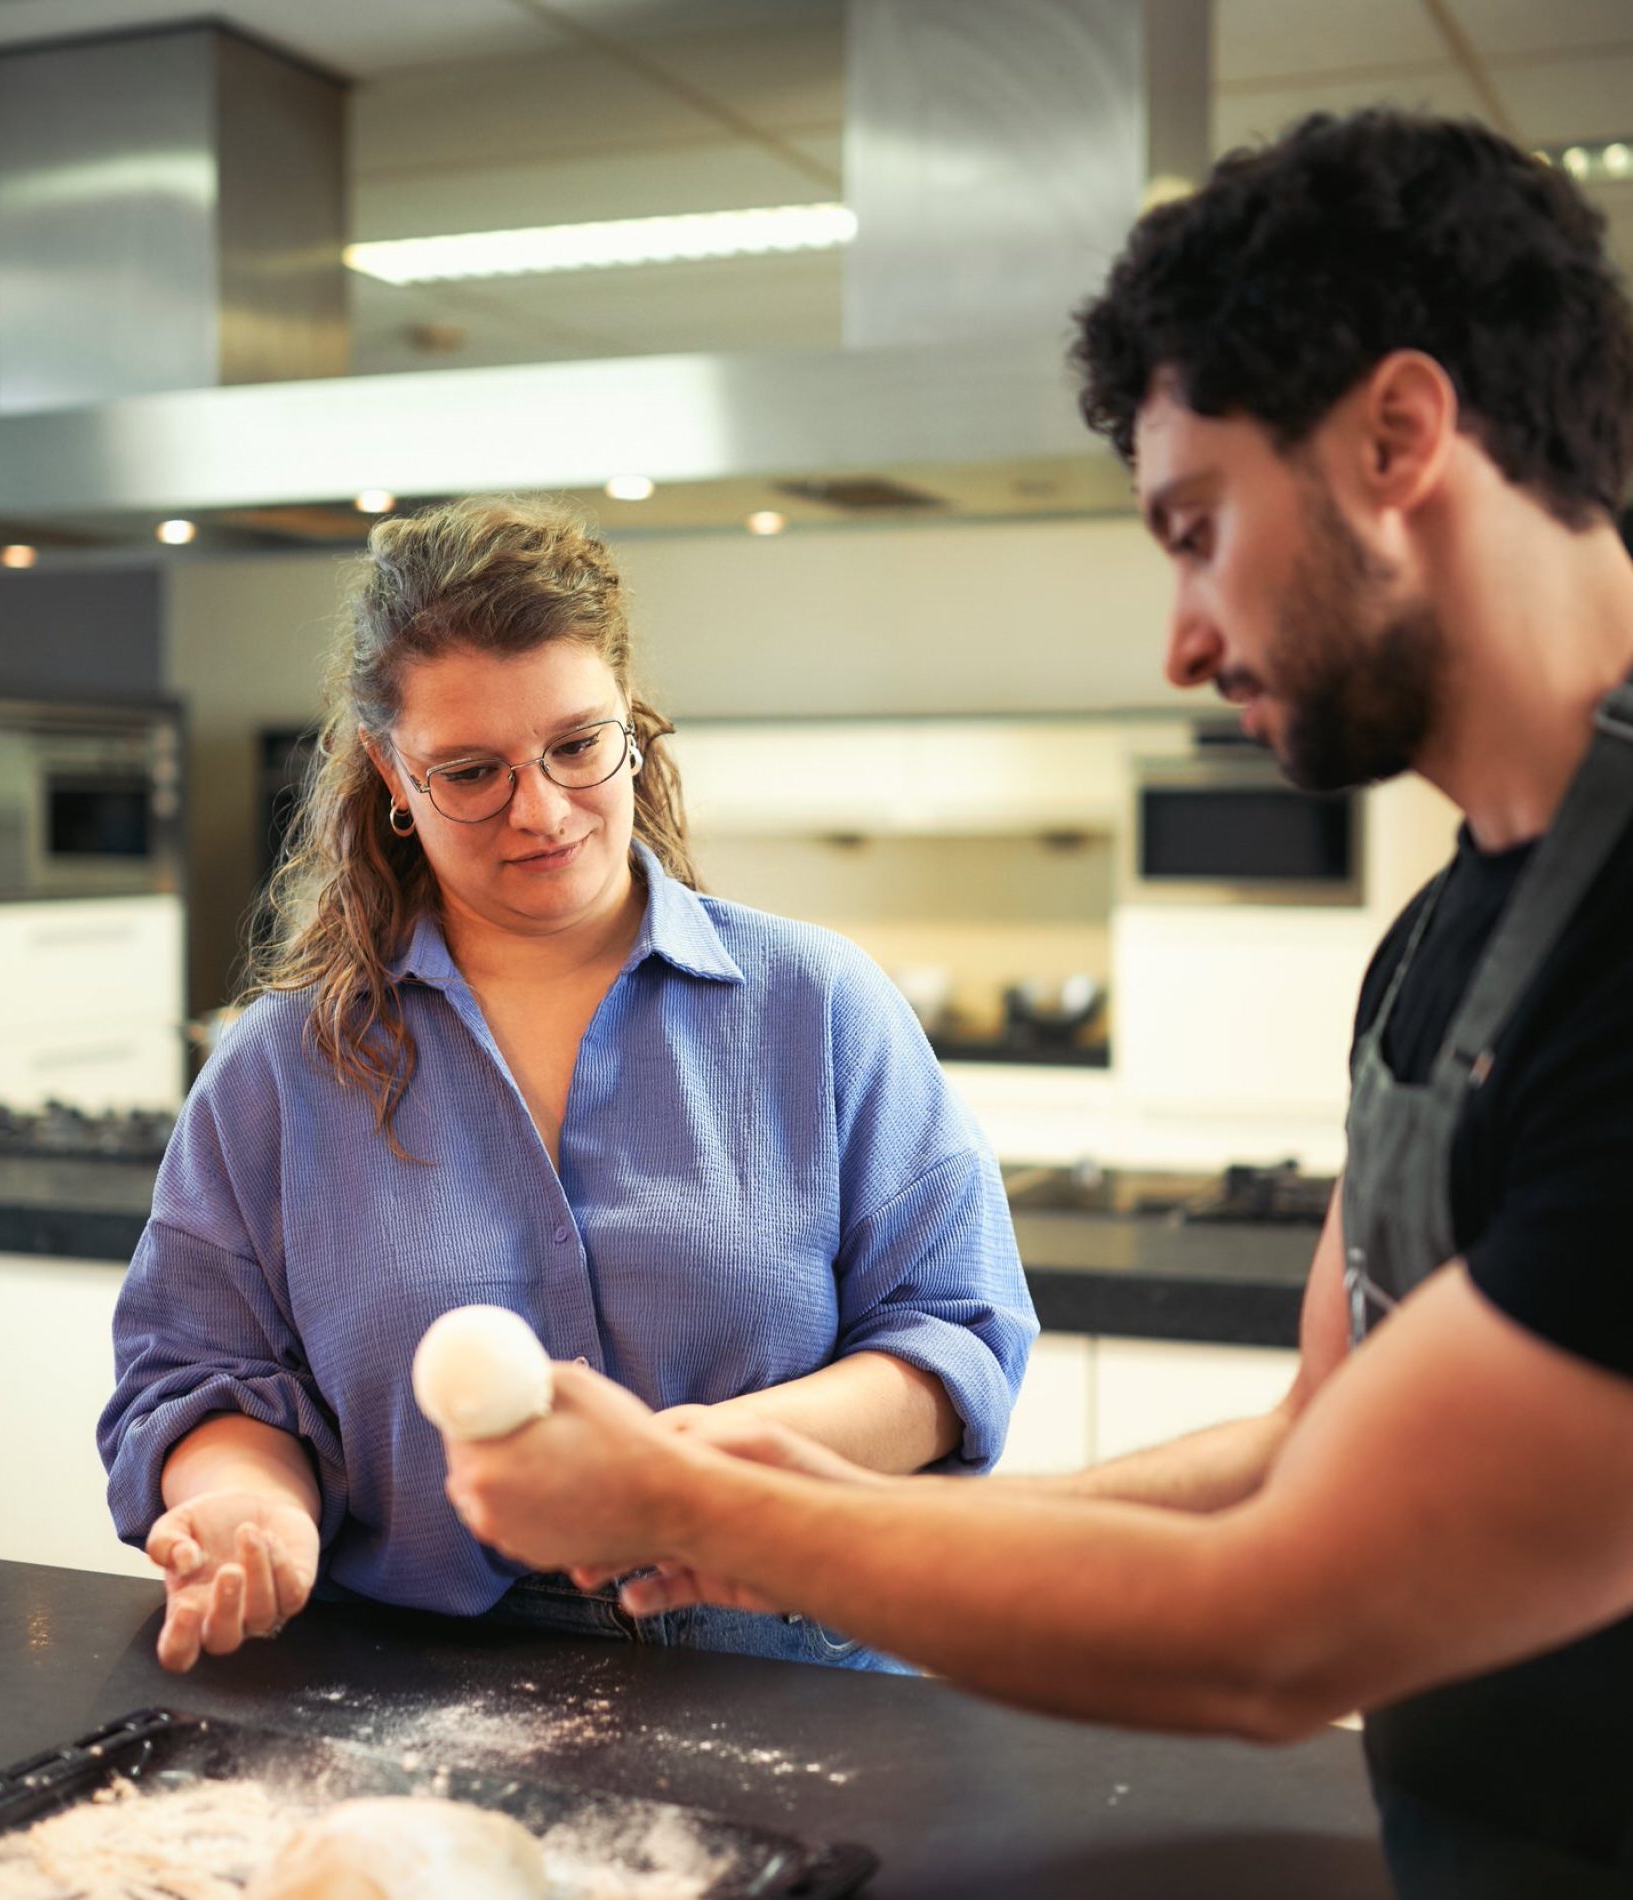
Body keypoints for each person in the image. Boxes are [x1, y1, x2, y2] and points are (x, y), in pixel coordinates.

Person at [444, 112, 1633, 1897]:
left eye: (1195, 527)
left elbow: (1280, 1628)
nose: (1179, 635)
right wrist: (816, 1525)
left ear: (1401, 434)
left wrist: (706, 1509)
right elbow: (1312, 1450)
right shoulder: (1451, 929)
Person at [98, 497, 1036, 1676]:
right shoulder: (279, 1070)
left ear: (630, 727)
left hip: (793, 1686)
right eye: (471, 772)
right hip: (407, 1689)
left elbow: (951, 1339)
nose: (540, 810)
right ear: (392, 771)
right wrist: (250, 1500)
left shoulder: (818, 1005)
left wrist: (688, 1474)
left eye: (577, 747)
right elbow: (198, 1371)